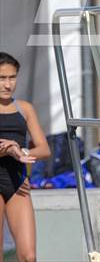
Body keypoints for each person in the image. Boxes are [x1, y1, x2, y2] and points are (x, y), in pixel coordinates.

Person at [0, 52, 51, 262]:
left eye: (12, 77)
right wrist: (7, 149)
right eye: (1, 78)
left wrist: (22, 151)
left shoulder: (25, 108)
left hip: (18, 183)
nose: (7, 84)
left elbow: (44, 149)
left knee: (29, 256)